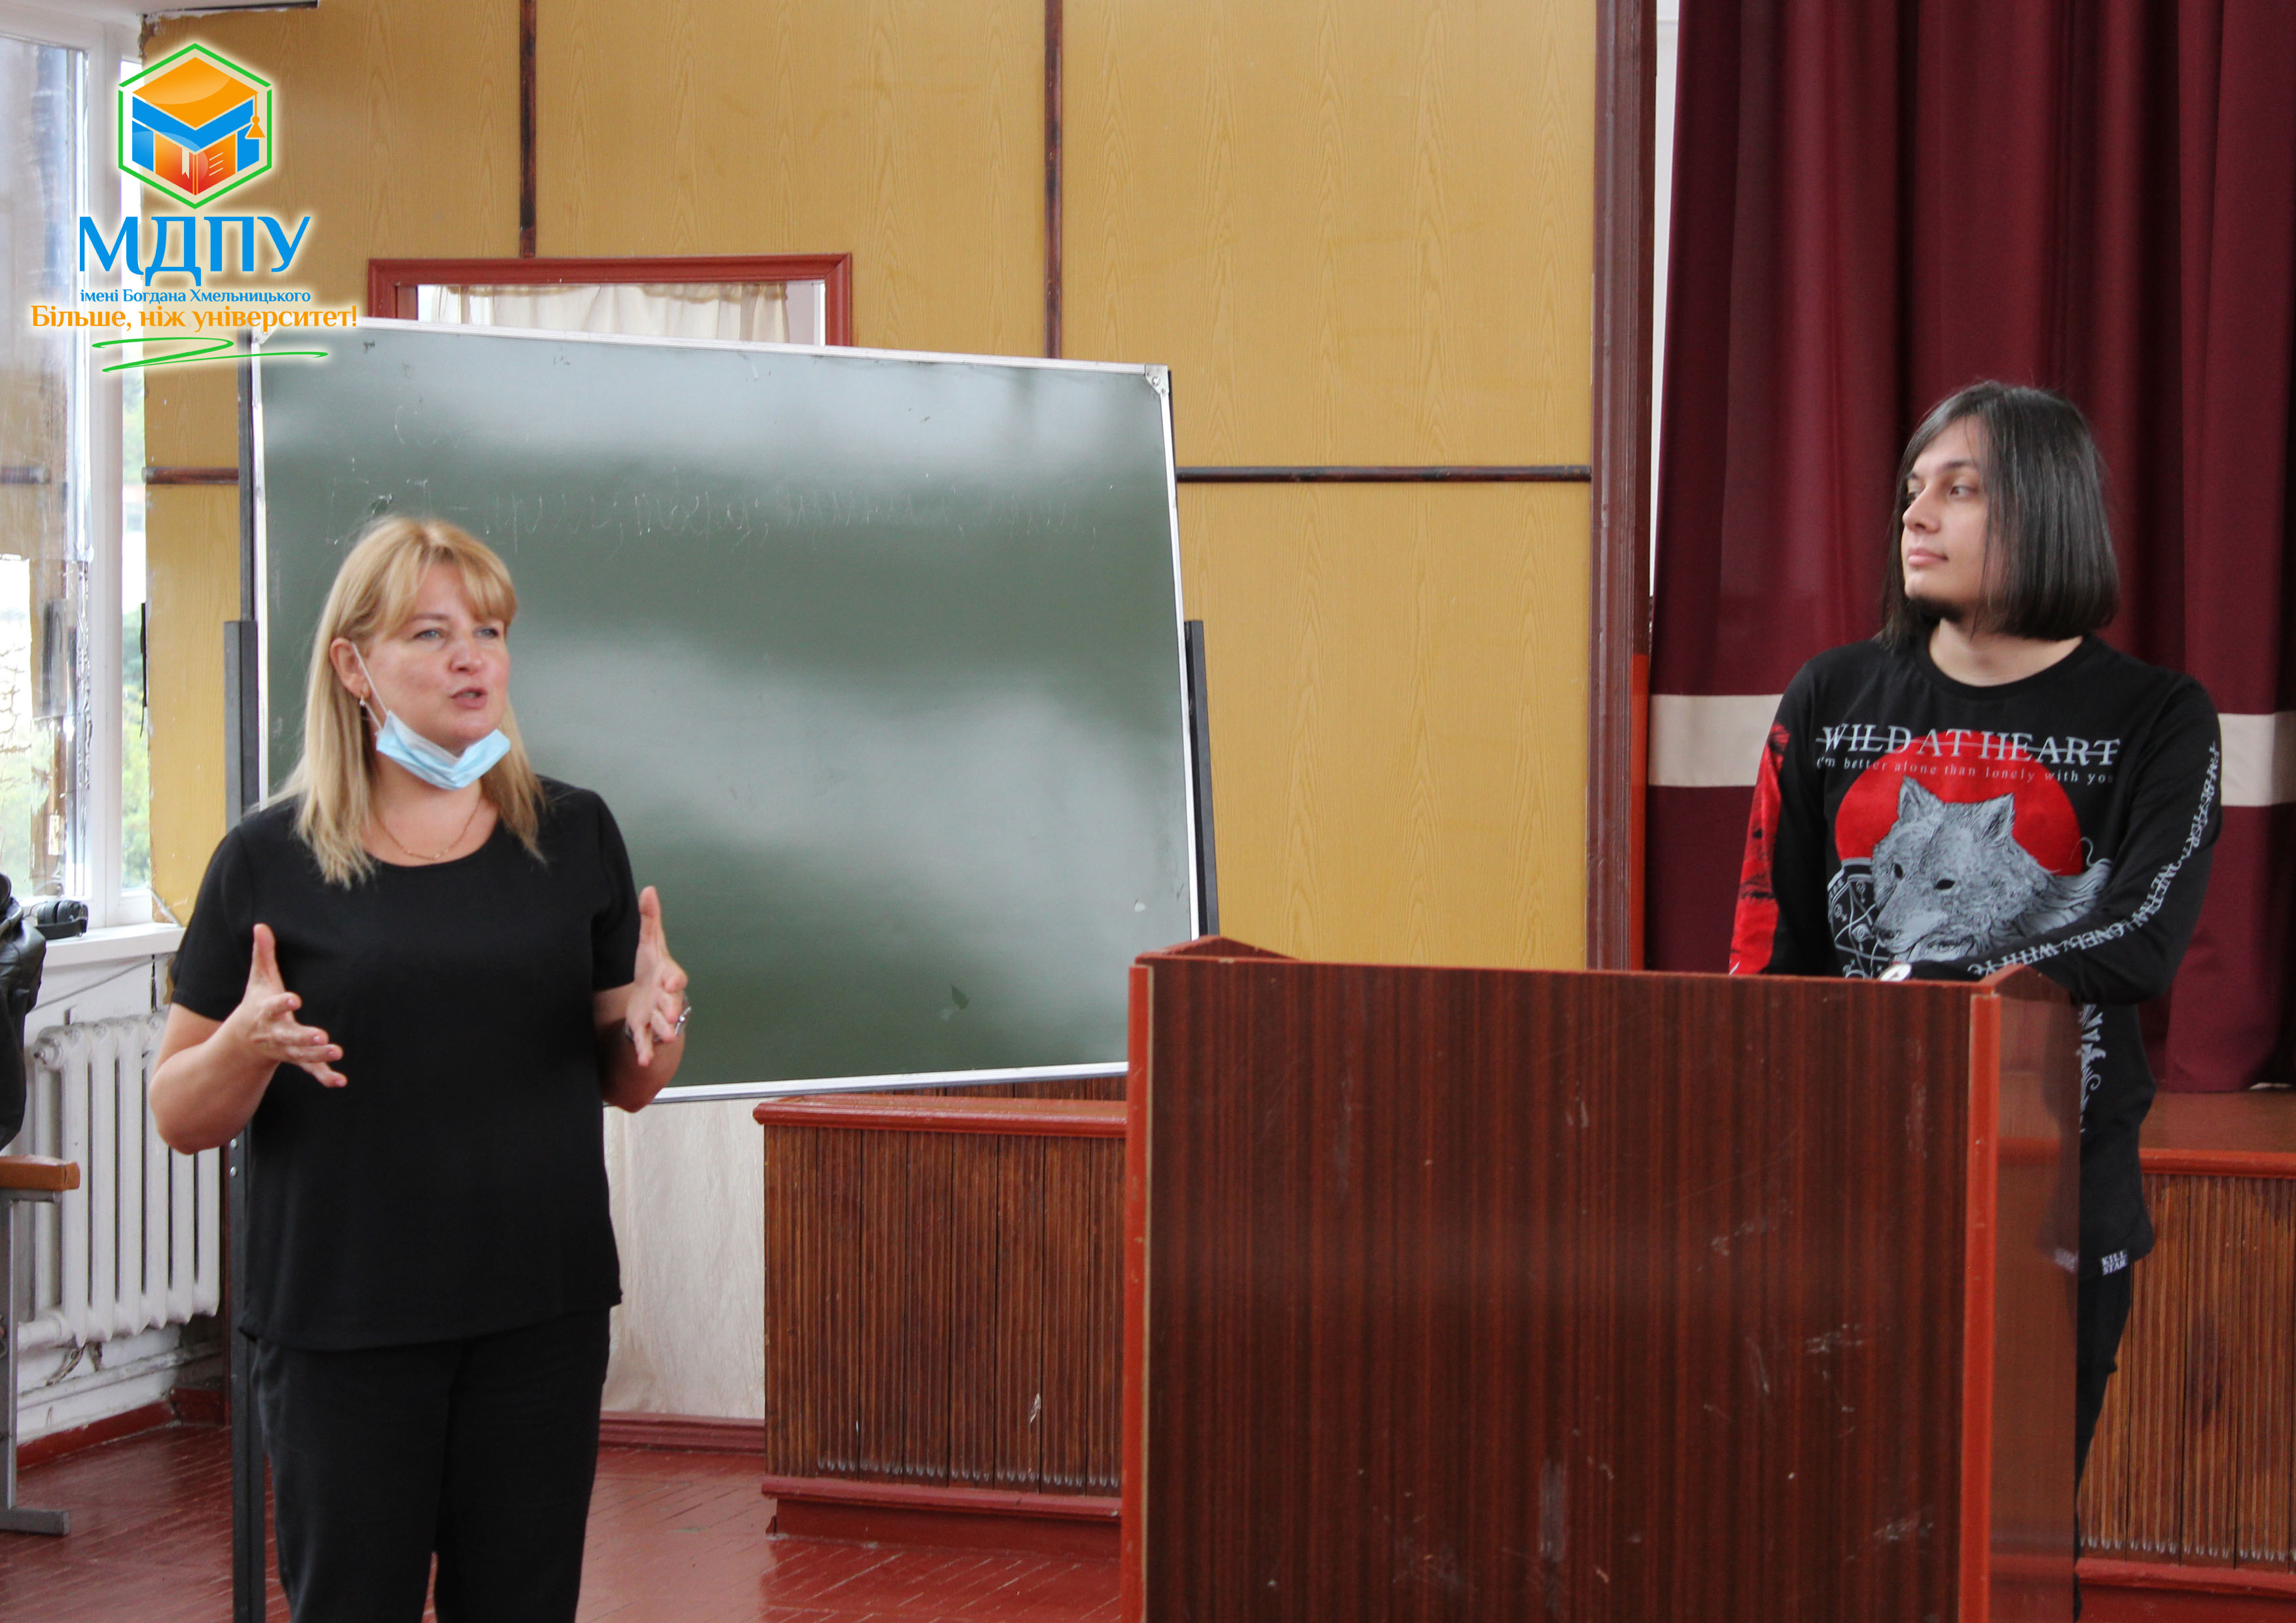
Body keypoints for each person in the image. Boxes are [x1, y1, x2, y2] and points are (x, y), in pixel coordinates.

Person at [150, 515, 691, 1623]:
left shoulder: (573, 835)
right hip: (344, 1325)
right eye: (431, 633)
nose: (470, 658)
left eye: (488, 631)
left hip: (537, 1313)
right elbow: (178, 1114)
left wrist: (658, 1024)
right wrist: (244, 1048)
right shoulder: (266, 860)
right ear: (354, 666)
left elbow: (628, 1080)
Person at [1729, 382, 2221, 1489]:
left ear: (2046, 509)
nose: (1915, 515)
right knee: (1825, 1510)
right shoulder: (1830, 695)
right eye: (1914, 489)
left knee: (2015, 1528)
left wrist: (1945, 982)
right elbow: (1770, 944)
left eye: (1960, 490)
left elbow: (2142, 938)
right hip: (1844, 1188)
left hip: (2052, 1199)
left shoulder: (2158, 718)